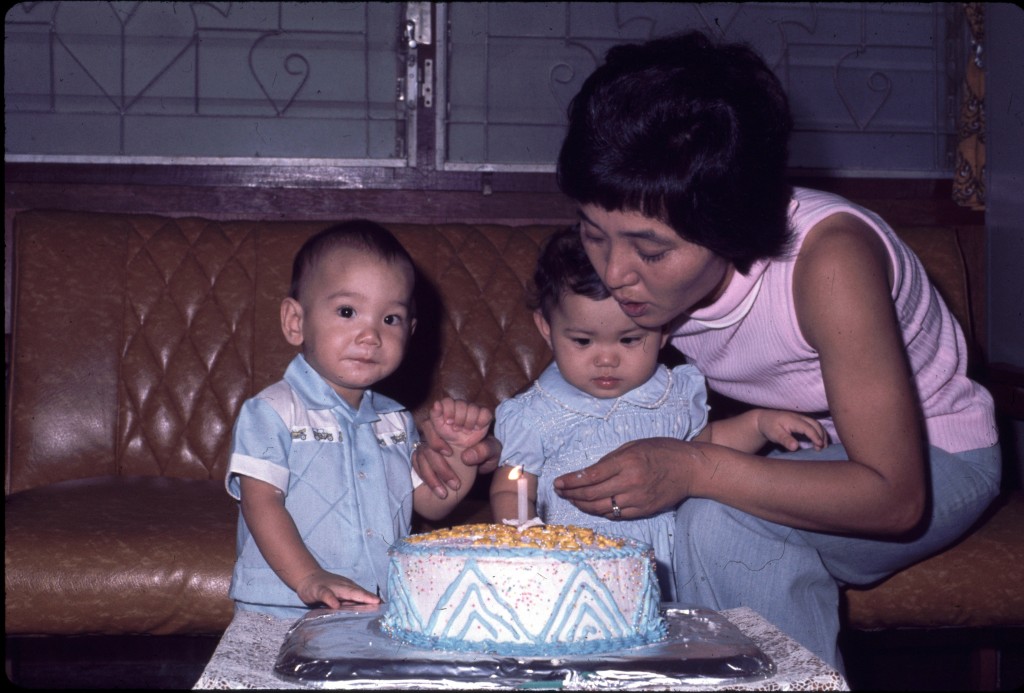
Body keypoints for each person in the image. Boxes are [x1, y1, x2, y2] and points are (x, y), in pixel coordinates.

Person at [416, 31, 1002, 672]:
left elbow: (896, 497)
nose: (616, 273)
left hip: (935, 456)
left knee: (717, 519)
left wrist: (695, 469)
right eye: (593, 233)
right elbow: (582, 396)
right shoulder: (635, 253)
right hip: (802, 452)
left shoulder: (829, 264)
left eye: (652, 251)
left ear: (731, 226)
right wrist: (474, 449)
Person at [490, 227, 826, 599]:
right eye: (582, 341)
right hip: (574, 571)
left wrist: (758, 423)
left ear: (663, 330)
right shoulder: (535, 412)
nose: (606, 358)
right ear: (547, 328)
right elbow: (512, 485)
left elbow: (707, 446)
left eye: (630, 340)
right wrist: (525, 538)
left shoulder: (675, 394)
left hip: (670, 571)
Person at [225, 220, 492, 618]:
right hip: (281, 605)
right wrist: (308, 578)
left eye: (390, 319)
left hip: (376, 606)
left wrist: (459, 452)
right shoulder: (272, 411)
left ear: (411, 330)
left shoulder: (395, 422)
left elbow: (432, 506)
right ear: (295, 322)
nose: (371, 335)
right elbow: (261, 502)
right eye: (347, 311)